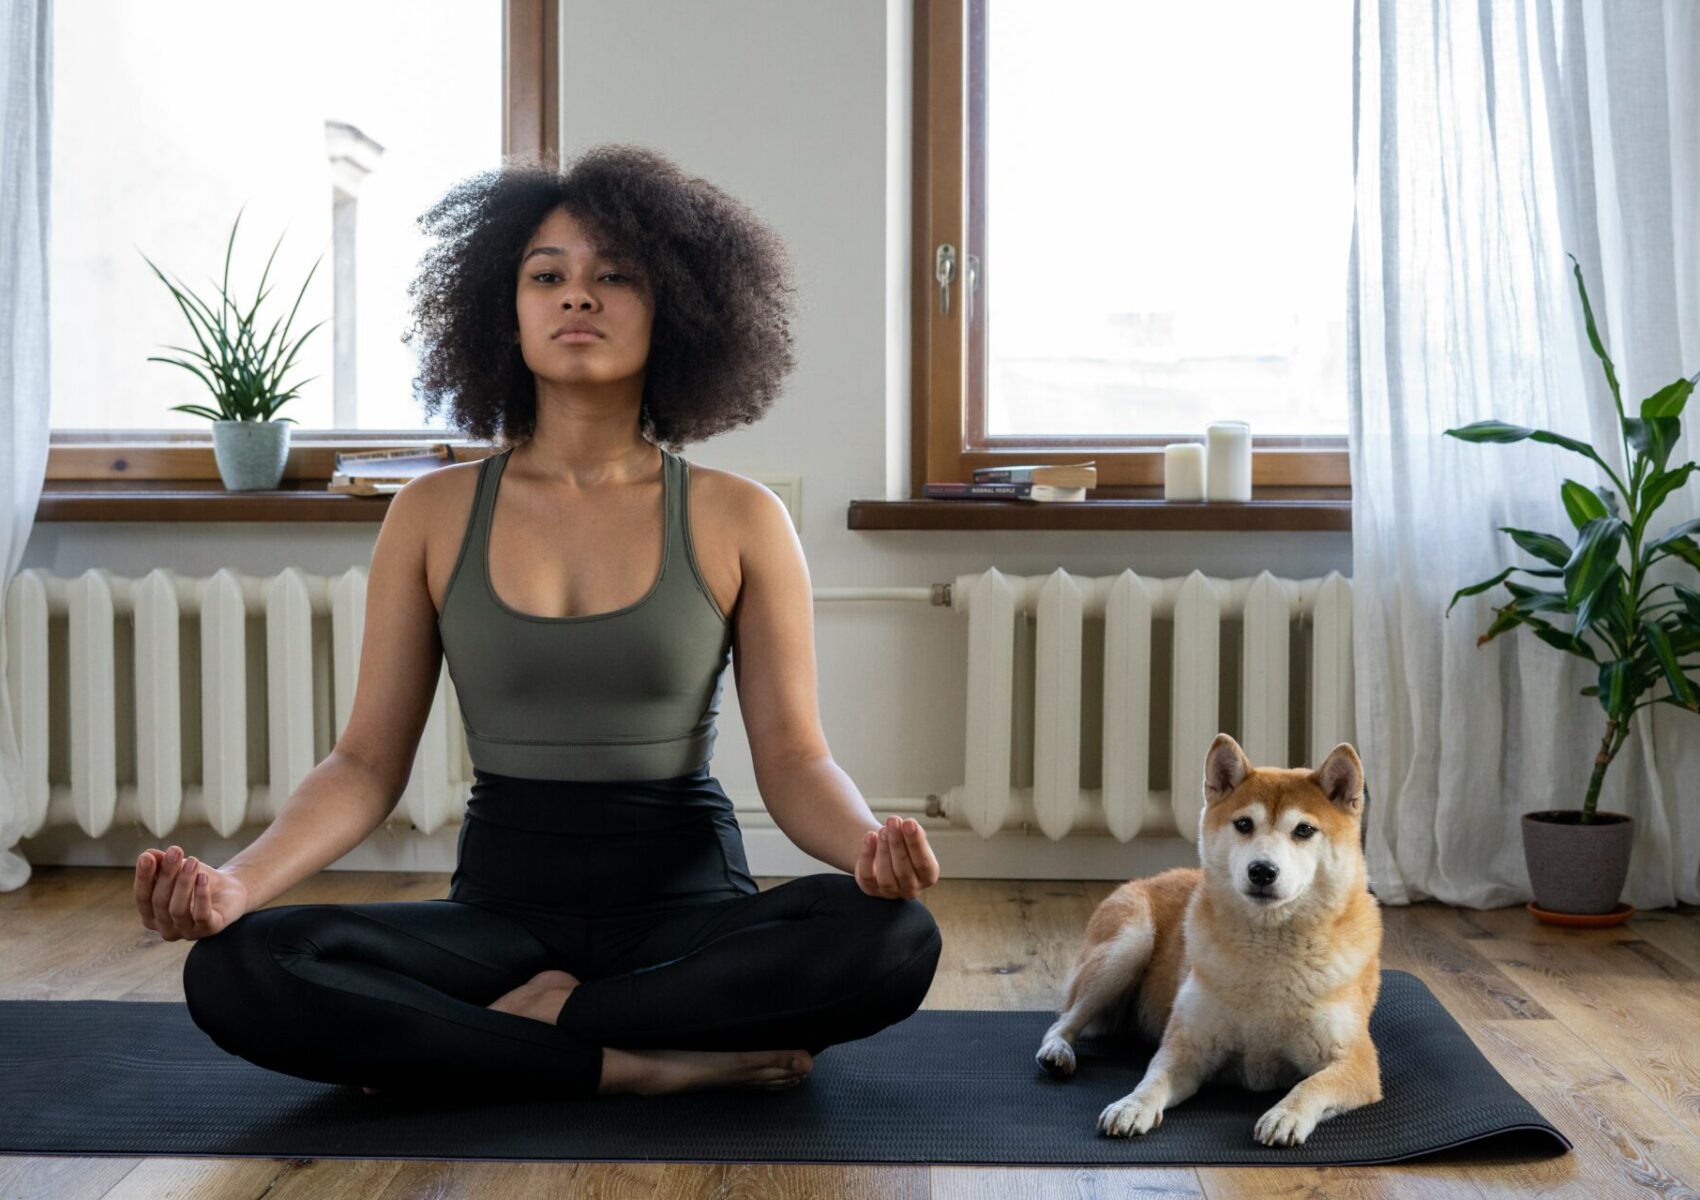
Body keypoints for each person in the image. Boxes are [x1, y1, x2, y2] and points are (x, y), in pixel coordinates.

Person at [132, 145, 943, 1100]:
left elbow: (796, 760)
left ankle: (532, 1031)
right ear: (502, 310)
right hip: (502, 917)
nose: (577, 298)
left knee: (893, 939)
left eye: (615, 276)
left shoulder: (739, 516)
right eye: (546, 275)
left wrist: (864, 853)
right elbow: (363, 765)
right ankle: (627, 1063)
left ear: (675, 305)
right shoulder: (429, 514)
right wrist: (236, 885)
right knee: (240, 966)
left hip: (686, 910)